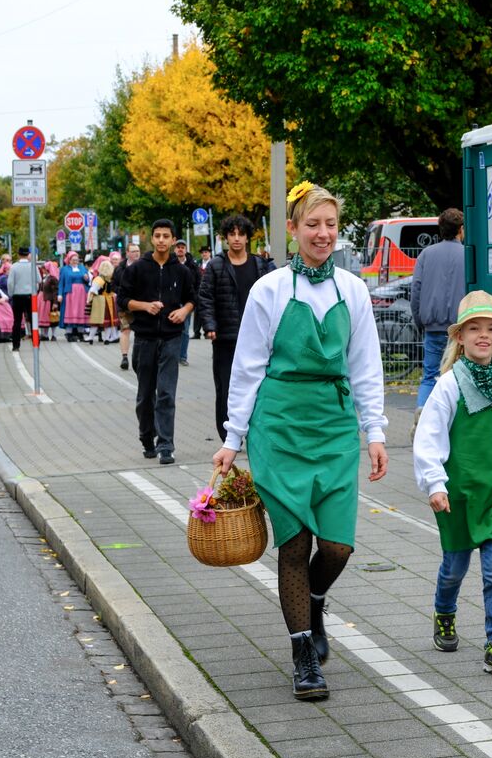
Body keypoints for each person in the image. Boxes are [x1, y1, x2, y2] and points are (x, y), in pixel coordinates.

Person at [212, 183, 388, 701]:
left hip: (333, 426)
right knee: (294, 542)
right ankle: (303, 655)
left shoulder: (353, 290)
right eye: (312, 224)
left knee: (337, 545)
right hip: (279, 425)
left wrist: (375, 431)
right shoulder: (269, 289)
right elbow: (247, 366)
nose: (323, 233)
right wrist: (233, 438)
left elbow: (366, 365)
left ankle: (312, 602)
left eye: (330, 224)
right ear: (292, 229)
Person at [413, 291, 492, 677]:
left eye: (491, 329)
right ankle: (444, 612)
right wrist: (435, 484)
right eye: (474, 328)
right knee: (454, 567)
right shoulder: (449, 384)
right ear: (459, 338)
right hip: (458, 494)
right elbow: (429, 436)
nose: (483, 335)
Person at [118, 220, 196, 465]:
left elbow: (192, 298)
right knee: (145, 396)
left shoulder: (182, 271)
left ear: (173, 240)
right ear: (152, 239)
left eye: (166, 236)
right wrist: (145, 306)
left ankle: (166, 445)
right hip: (145, 339)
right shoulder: (137, 269)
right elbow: (123, 300)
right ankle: (146, 437)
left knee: (166, 394)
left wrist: (184, 311)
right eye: (158, 236)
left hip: (172, 338)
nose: (161, 240)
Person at [197, 214, 263, 441]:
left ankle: (254, 431)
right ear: (225, 237)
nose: (236, 238)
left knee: (257, 386)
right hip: (225, 337)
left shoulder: (260, 265)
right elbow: (205, 297)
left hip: (255, 338)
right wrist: (210, 325)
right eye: (232, 234)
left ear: (247, 237)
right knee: (226, 387)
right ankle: (228, 435)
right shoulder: (216, 265)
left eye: (241, 234)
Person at [410, 208, 467, 429]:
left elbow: (416, 290)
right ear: (461, 229)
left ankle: (423, 411)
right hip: (461, 328)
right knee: (460, 375)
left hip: (432, 326)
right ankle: (454, 422)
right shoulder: (468, 255)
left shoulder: (426, 255)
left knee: (430, 375)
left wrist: (420, 321)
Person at [112, 243, 142, 369]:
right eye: (133, 251)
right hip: (124, 304)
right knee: (125, 329)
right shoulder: (120, 268)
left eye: (138, 251)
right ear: (127, 253)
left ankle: (139, 356)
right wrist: (121, 292)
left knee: (141, 332)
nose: (136, 253)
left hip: (140, 304)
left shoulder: (144, 266)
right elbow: (113, 284)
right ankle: (124, 357)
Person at [6, 246, 37, 352]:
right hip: (30, 296)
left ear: (19, 255)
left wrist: (11, 293)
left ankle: (16, 345)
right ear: (28, 255)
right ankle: (35, 343)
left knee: (17, 321)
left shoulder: (14, 267)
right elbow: (38, 279)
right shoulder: (32, 266)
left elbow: (10, 283)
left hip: (18, 296)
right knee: (33, 320)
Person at [174, 239, 199, 366]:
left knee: (184, 330)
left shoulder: (192, 266)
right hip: (172, 302)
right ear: (174, 249)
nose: (180, 249)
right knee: (171, 330)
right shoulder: (169, 263)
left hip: (187, 303)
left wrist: (194, 299)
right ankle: (171, 355)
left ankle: (182, 356)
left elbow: (198, 283)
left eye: (182, 247)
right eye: (178, 247)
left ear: (186, 249)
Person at [58, 251, 91, 342]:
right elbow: (61, 283)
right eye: (73, 260)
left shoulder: (82, 268)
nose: (75, 262)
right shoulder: (64, 269)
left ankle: (80, 333)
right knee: (70, 312)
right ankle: (69, 333)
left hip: (82, 294)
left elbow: (88, 280)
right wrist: (59, 294)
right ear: (69, 260)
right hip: (70, 294)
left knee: (81, 311)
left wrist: (86, 278)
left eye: (77, 260)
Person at [87, 260, 120, 344]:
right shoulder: (111, 279)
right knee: (108, 321)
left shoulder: (99, 279)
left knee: (96, 319)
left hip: (100, 300)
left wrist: (89, 299)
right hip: (110, 300)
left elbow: (93, 290)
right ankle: (107, 339)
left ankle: (91, 337)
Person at [38, 260, 59, 342]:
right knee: (44, 318)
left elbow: (55, 291)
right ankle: (45, 335)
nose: (42, 270)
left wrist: (55, 302)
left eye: (43, 268)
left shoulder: (53, 279)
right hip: (43, 300)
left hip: (49, 300)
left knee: (52, 318)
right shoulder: (45, 278)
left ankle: (54, 335)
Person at [194, 247, 212, 338]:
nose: (204, 254)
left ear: (209, 253)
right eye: (202, 252)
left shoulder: (213, 263)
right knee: (197, 313)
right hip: (198, 291)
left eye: (206, 252)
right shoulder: (197, 263)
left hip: (210, 291)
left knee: (207, 312)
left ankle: (207, 332)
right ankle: (196, 333)